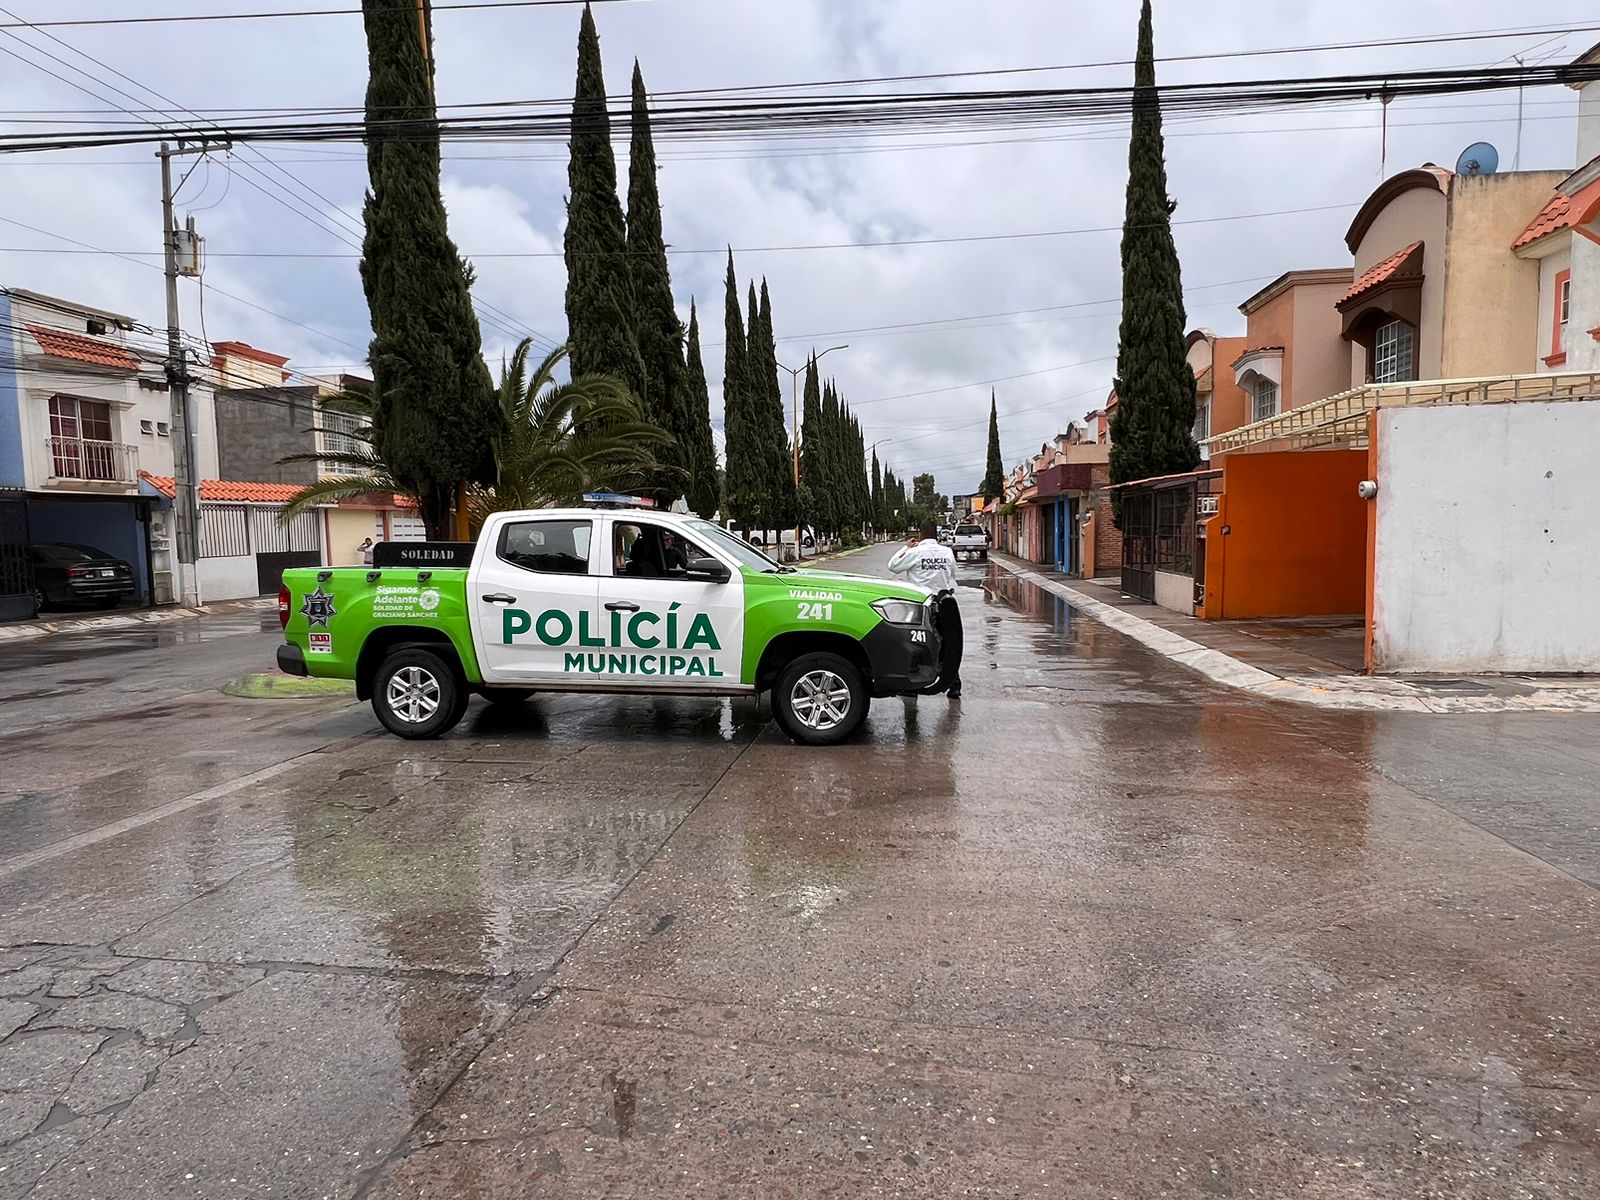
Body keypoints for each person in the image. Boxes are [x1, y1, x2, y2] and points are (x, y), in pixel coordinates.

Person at [887, 519, 962, 699]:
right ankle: (954, 685)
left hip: (920, 607)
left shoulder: (915, 552)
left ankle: (912, 688)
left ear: (920, 534)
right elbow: (953, 574)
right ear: (935, 533)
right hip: (943, 605)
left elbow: (893, 566)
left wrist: (906, 547)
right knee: (947, 646)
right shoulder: (947, 552)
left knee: (916, 645)